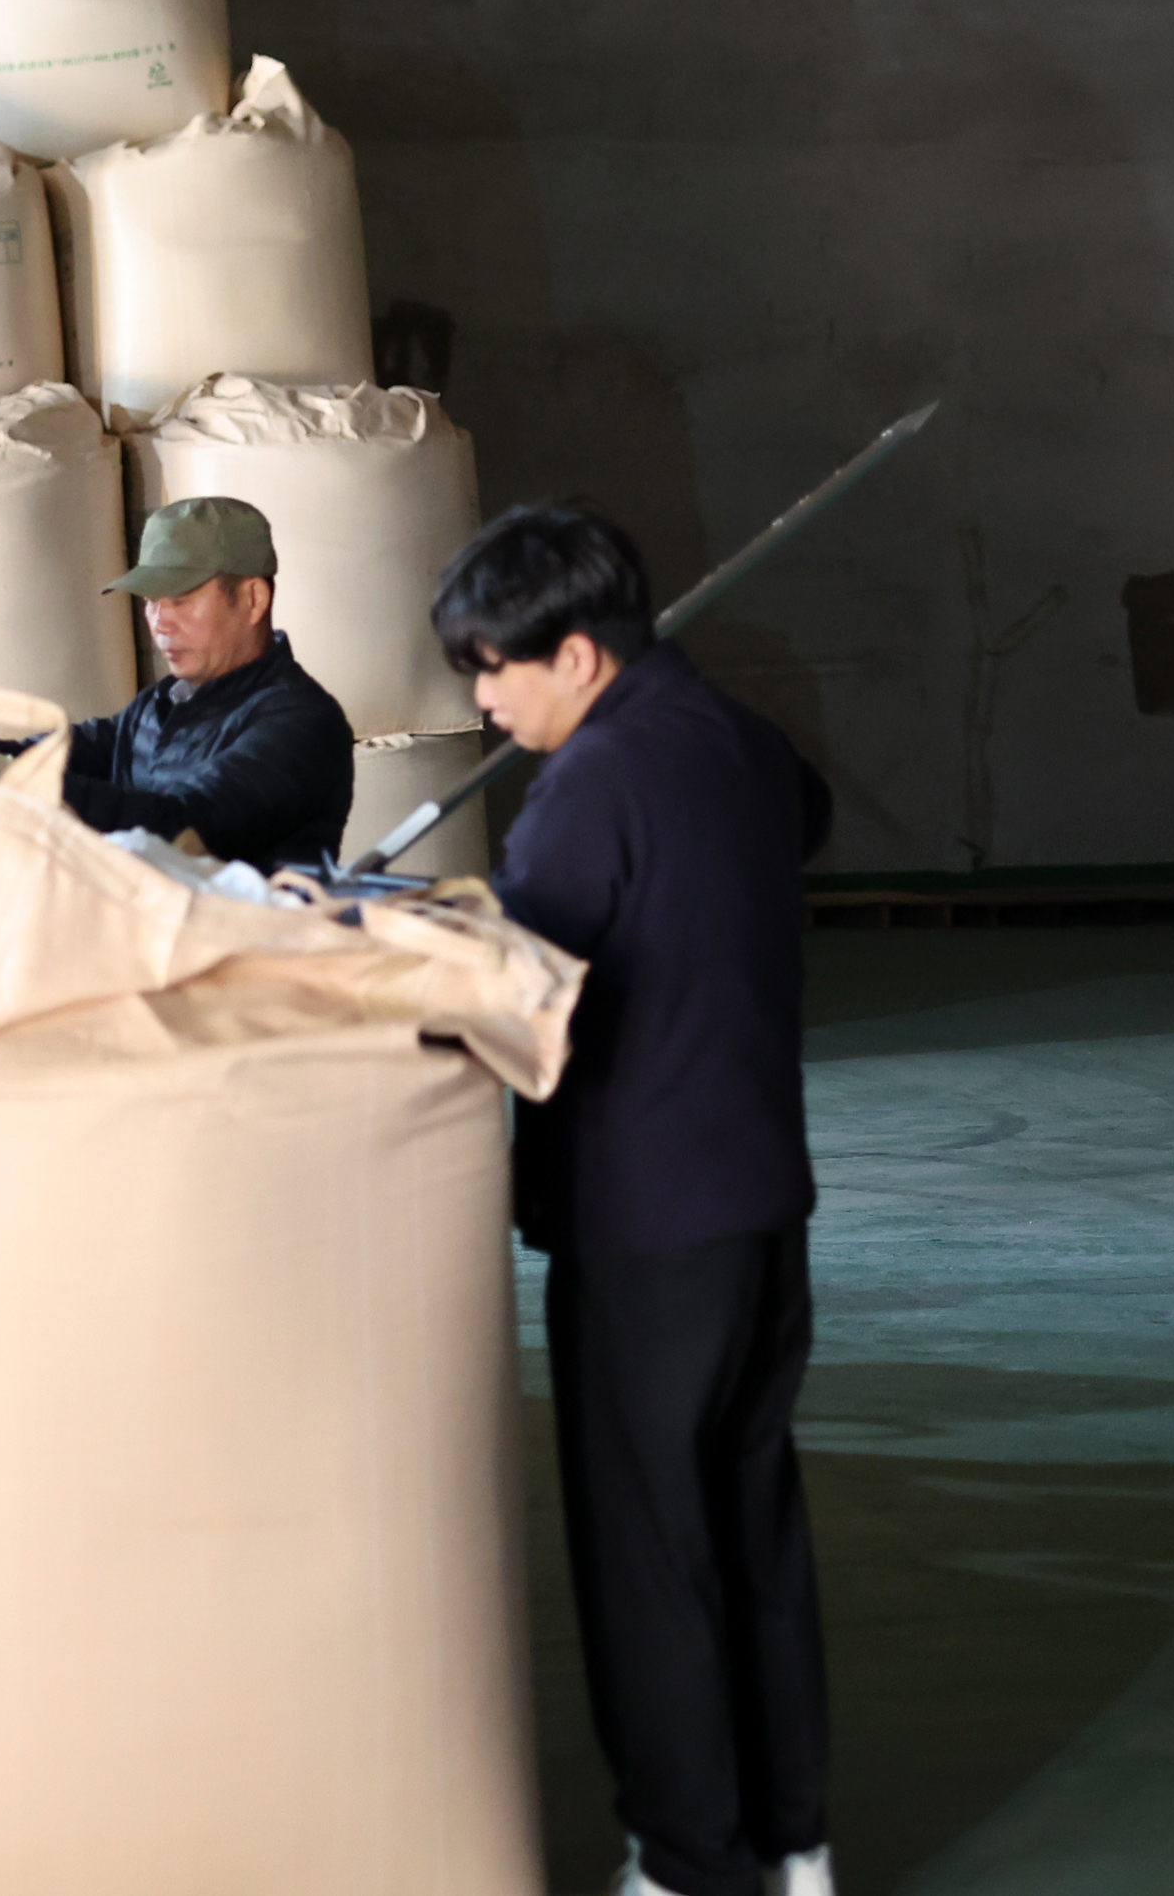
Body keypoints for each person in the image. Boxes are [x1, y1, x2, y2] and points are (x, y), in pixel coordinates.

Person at [429, 502, 835, 1896]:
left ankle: (687, 1862)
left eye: (494, 665)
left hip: (646, 1221)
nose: (484, 697)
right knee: (749, 1526)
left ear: (581, 655)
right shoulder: (742, 743)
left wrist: (395, 930)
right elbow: (809, 816)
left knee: (650, 1555)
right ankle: (792, 1845)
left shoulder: (594, 781)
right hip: (761, 1209)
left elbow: (511, 971)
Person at [61, 495, 354, 871]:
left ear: (253, 599)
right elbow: (67, 749)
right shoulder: (158, 705)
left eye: (180, 601)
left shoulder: (303, 723)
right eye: (151, 601)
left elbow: (185, 826)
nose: (159, 622)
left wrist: (36, 788)